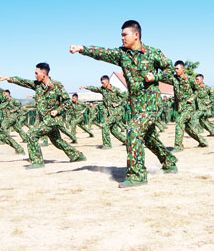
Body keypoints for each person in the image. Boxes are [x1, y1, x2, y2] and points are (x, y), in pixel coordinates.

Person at [70, 20, 178, 187]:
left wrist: (155, 77)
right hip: (136, 105)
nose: (122, 38)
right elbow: (102, 53)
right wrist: (82, 49)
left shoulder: (153, 53)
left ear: (136, 35)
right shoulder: (122, 54)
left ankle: (137, 176)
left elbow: (171, 73)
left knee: (133, 131)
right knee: (149, 138)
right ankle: (169, 161)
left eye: (124, 35)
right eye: (121, 35)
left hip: (152, 104)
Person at [0, 63, 86, 168]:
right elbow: (23, 82)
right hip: (44, 120)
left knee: (31, 135)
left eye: (36, 73)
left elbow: (67, 101)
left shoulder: (57, 85)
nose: (35, 76)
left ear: (44, 73)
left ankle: (37, 161)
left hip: (52, 120)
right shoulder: (38, 85)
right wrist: (8, 78)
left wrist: (58, 110)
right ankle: (77, 155)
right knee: (57, 141)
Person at [161, 60, 207, 150]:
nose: (176, 70)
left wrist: (192, 97)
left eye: (177, 69)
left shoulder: (190, 79)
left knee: (179, 121)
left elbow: (199, 90)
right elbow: (163, 78)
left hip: (189, 107)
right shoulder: (173, 79)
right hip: (179, 107)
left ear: (183, 69)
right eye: (175, 69)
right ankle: (202, 141)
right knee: (188, 128)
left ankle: (178, 146)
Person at [81, 76, 127, 148]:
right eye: (101, 83)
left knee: (105, 125)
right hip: (109, 112)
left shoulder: (115, 89)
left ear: (108, 81)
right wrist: (86, 87)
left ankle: (107, 145)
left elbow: (124, 97)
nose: (102, 84)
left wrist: (118, 103)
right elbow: (94, 88)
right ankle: (127, 141)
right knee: (113, 130)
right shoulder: (102, 89)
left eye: (103, 82)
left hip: (116, 111)